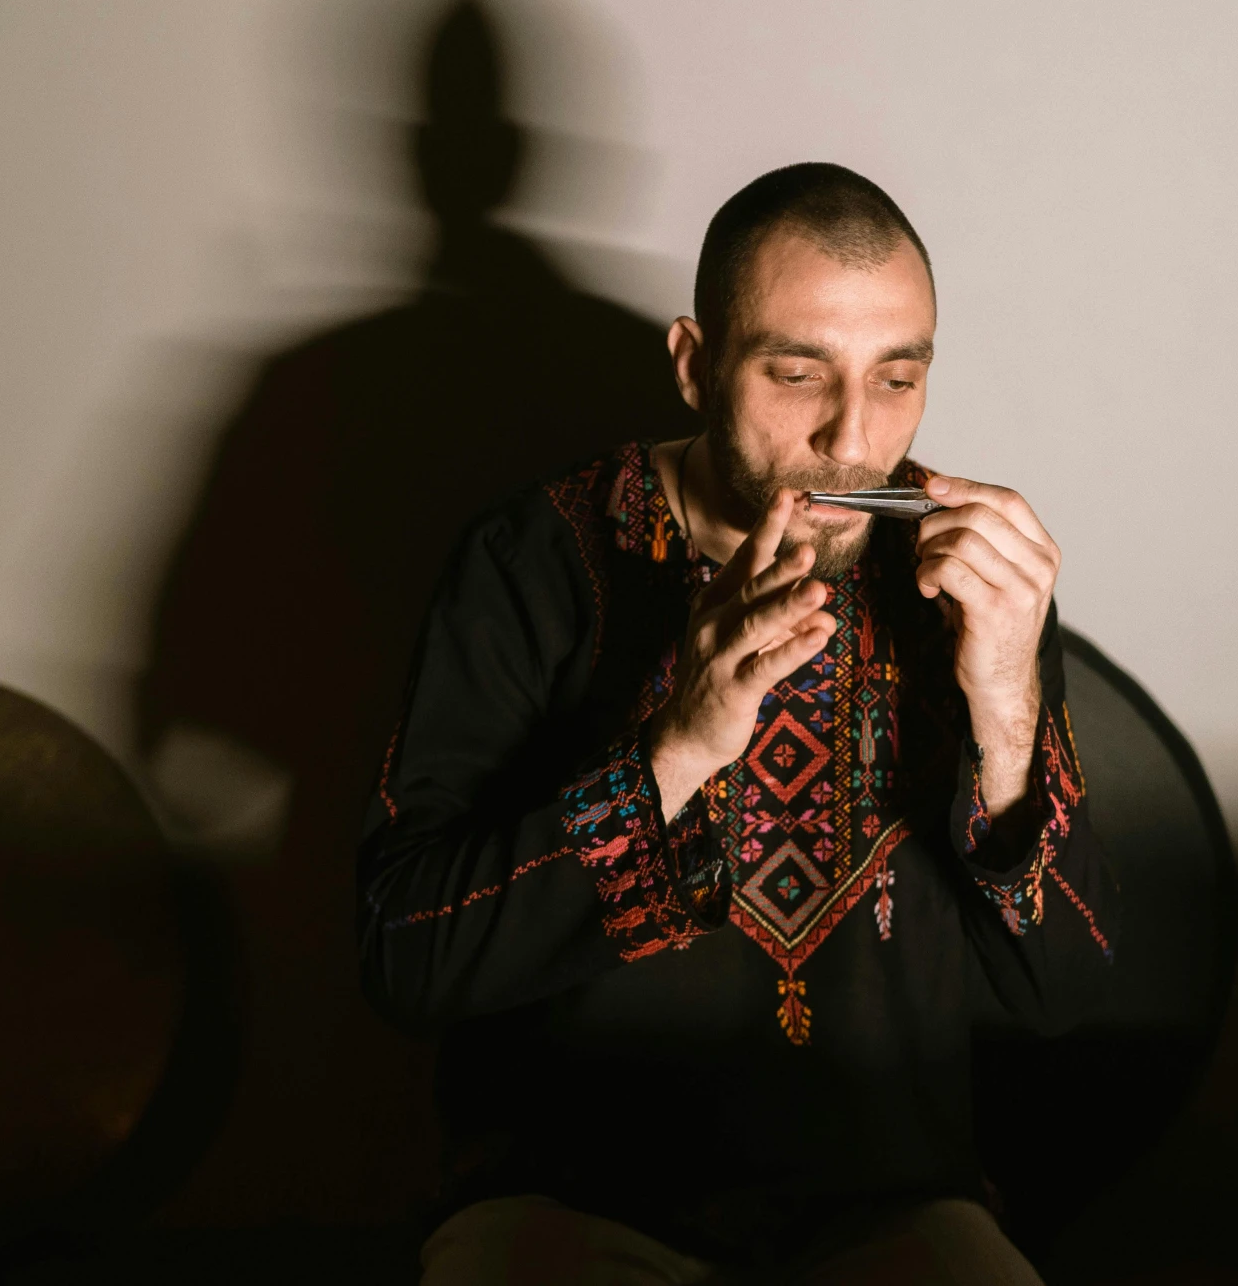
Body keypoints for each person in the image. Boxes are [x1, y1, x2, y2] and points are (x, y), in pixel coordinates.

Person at [359, 162, 1119, 1284]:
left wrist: (1006, 707)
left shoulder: (964, 588)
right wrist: (678, 747)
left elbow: (1066, 997)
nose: (852, 440)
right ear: (694, 362)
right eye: (795, 372)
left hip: (892, 1209)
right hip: (571, 1203)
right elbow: (404, 956)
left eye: (898, 377)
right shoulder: (535, 561)